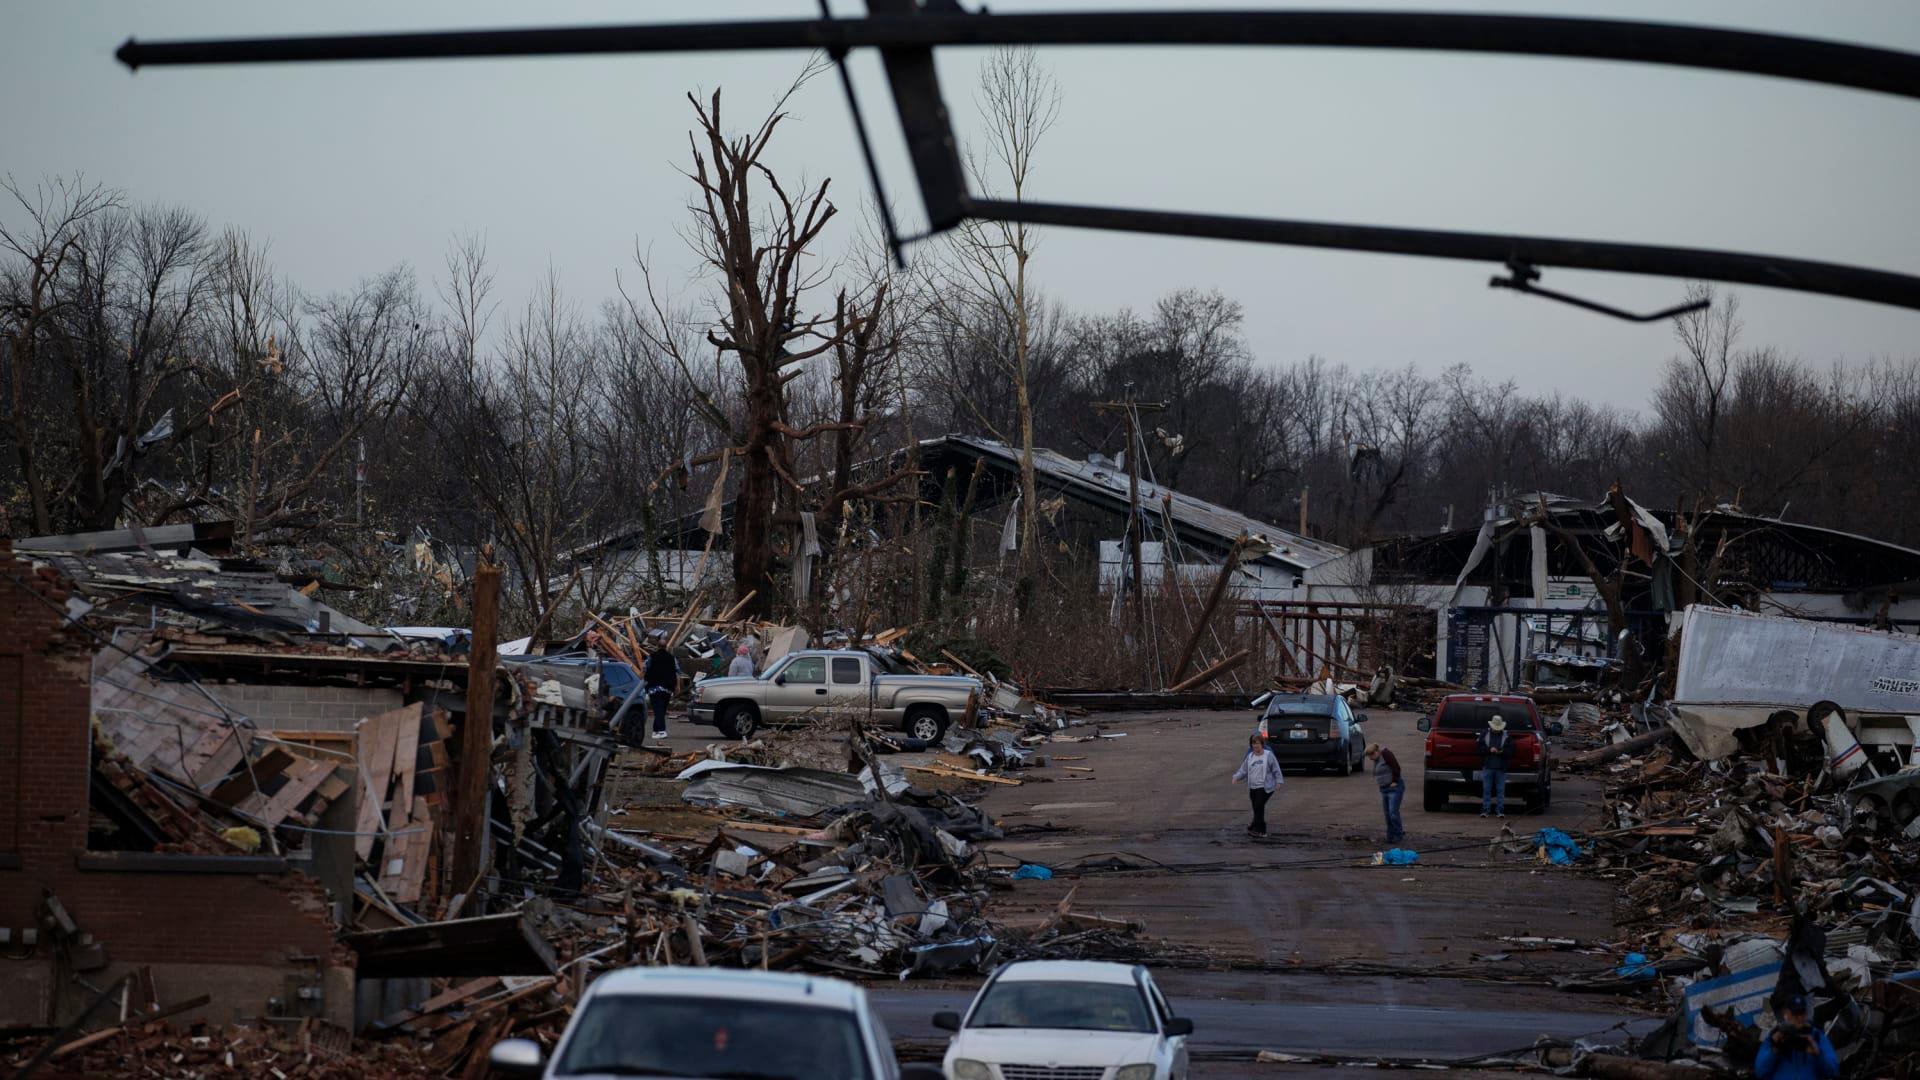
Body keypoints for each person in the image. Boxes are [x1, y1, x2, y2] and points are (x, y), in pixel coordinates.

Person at [1755, 995, 1839, 1079]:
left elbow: (1833, 1071)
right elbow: (1760, 1072)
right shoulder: (1775, 1037)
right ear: (1786, 1013)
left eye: (1801, 1012)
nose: (1799, 1017)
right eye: (1795, 1013)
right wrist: (1774, 1050)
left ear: (1806, 1013)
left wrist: (1818, 1054)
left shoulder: (1817, 1037)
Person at [1231, 732, 1283, 837]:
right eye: (1253, 744)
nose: (1256, 746)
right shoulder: (1250, 757)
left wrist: (1279, 781)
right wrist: (1236, 777)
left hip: (1264, 787)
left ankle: (1261, 831)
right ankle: (1254, 826)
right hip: (1253, 787)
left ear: (1262, 744)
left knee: (1259, 807)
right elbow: (1243, 770)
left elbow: (1276, 769)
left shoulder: (1268, 755)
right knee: (1256, 808)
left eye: (1258, 743)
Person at [1365, 743, 1405, 843]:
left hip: (1394, 788)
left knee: (1393, 813)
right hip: (1384, 789)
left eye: (1371, 756)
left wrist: (1395, 781)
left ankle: (1398, 835)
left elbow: (1396, 767)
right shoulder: (1377, 759)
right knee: (1387, 814)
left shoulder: (1386, 754)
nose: (1370, 758)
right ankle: (1390, 836)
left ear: (1376, 752)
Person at [1476, 715, 1513, 818]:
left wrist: (1502, 752)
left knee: (1500, 790)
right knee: (1486, 789)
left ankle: (1500, 811)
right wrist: (1489, 750)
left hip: (1501, 768)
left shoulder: (1507, 736)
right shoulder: (1485, 734)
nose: (1496, 730)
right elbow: (1479, 749)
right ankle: (1485, 810)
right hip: (1487, 766)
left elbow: (1511, 751)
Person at [642, 646, 680, 741]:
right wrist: (677, 686)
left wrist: (643, 682)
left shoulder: (651, 657)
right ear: (666, 647)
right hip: (667, 688)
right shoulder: (671, 658)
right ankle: (657, 731)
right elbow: (677, 672)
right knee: (661, 710)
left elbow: (644, 669)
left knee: (658, 710)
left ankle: (660, 731)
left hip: (654, 688)